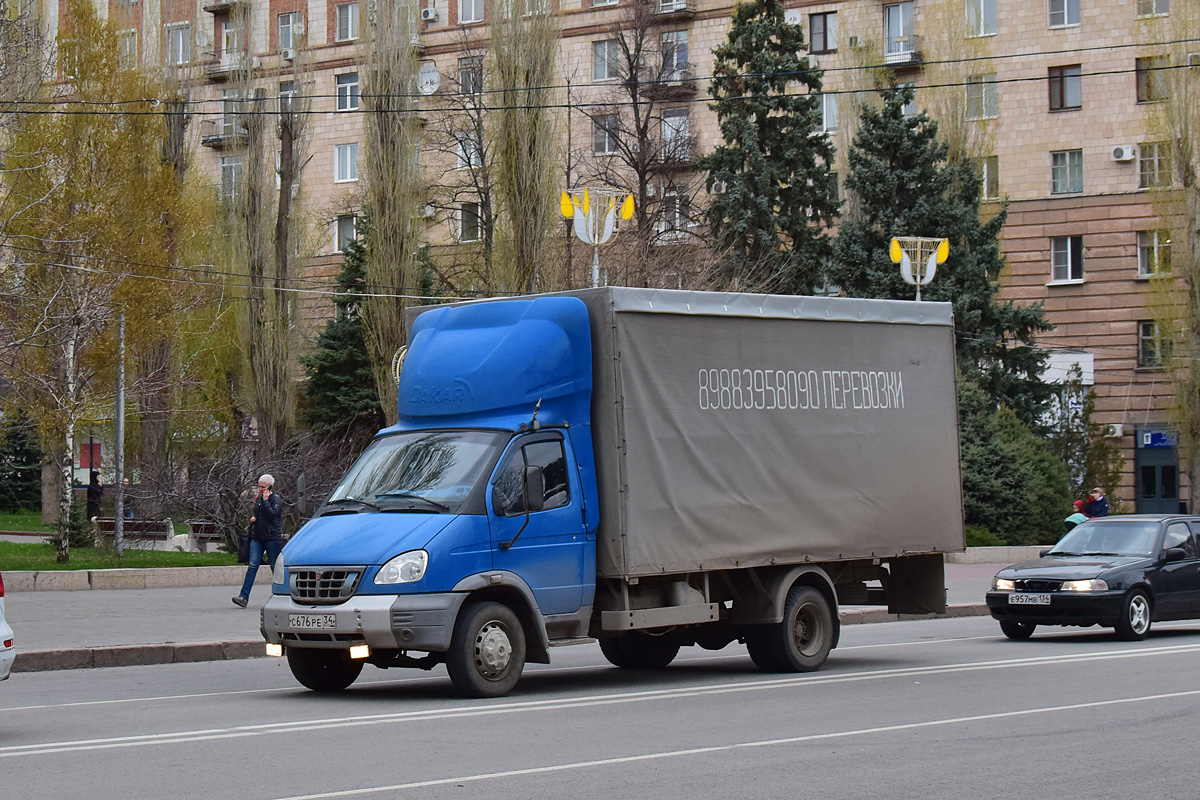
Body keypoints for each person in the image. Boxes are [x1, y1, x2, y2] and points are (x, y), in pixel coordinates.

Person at [232, 474, 284, 608]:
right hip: (257, 537)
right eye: (259, 486)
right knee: (253, 565)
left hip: (272, 538)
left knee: (275, 567)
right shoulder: (259, 499)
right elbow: (260, 513)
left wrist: (266, 501)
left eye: (263, 487)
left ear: (270, 487)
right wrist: (254, 518)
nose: (260, 489)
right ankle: (243, 596)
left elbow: (273, 515)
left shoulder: (275, 499)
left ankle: (284, 594)